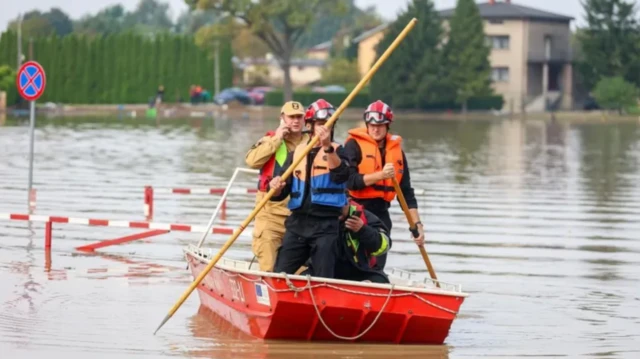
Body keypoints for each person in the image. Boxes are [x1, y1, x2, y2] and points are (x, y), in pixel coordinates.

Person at [269, 99, 350, 279]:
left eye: (328, 125)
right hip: (298, 224)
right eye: (321, 124)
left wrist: (328, 147)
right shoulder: (296, 153)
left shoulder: (339, 151)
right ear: (310, 125)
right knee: (280, 274)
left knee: (323, 276)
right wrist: (275, 187)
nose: (324, 129)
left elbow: (342, 176)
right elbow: (280, 192)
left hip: (326, 225)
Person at [344, 100, 425, 270]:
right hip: (356, 211)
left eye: (380, 125)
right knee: (353, 261)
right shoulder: (353, 146)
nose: (375, 129)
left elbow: (406, 193)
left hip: (381, 214)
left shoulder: (397, 153)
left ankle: (376, 283)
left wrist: (416, 225)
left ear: (387, 125)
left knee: (376, 264)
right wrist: (380, 175)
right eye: (371, 124)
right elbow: (350, 181)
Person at [244, 101, 308, 271]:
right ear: (282, 118)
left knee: (301, 270)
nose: (295, 121)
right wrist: (277, 139)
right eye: (291, 117)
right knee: (269, 267)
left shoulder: (312, 142)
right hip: (270, 215)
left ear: (305, 119)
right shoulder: (270, 140)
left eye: (299, 117)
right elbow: (252, 161)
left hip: (299, 216)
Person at [334, 199, 391, 283]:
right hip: (326, 269)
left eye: (341, 204)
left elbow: (384, 245)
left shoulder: (365, 216)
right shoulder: (316, 217)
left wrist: (363, 230)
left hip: (360, 270)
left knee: (380, 280)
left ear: (348, 201)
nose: (338, 209)